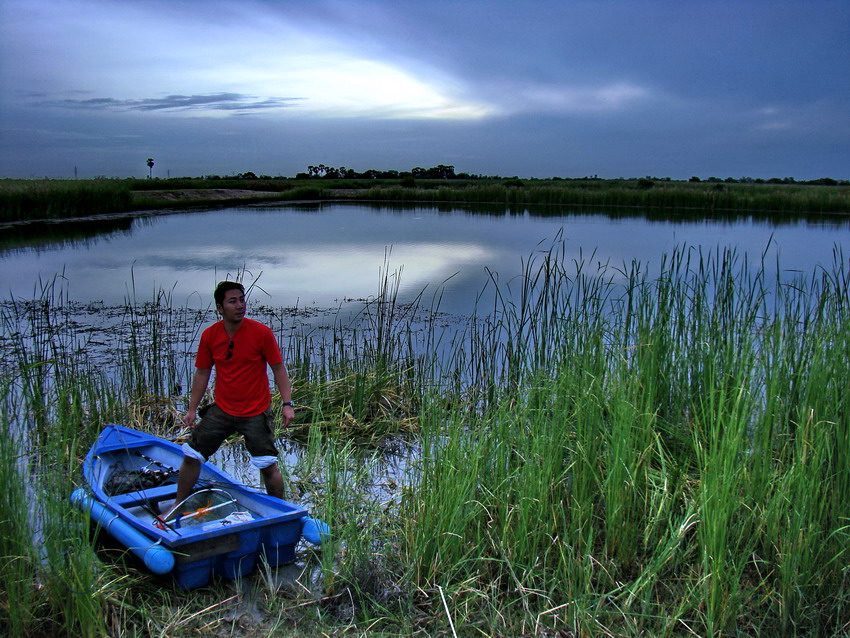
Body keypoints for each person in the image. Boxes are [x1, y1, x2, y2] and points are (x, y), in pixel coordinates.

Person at [163, 281, 295, 519]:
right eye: (233, 301)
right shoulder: (210, 335)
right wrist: (192, 410)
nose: (240, 305)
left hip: (255, 411)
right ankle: (178, 504)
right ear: (220, 307)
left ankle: (280, 513)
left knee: (267, 464)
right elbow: (202, 373)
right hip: (223, 410)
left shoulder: (261, 333)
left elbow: (278, 369)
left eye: (242, 300)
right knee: (192, 455)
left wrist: (287, 404)